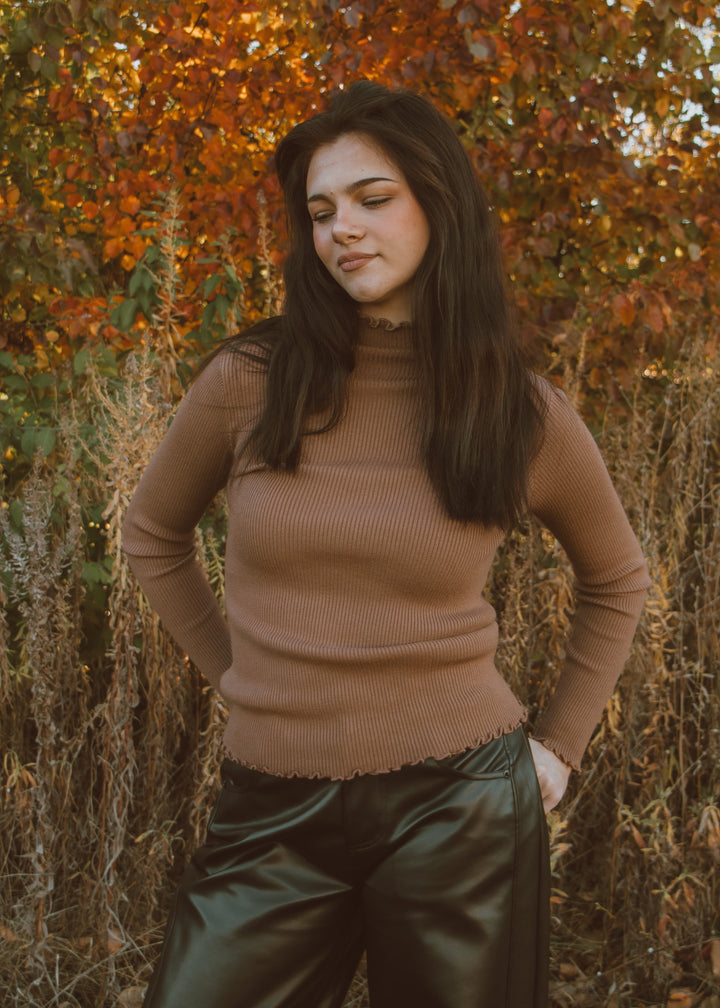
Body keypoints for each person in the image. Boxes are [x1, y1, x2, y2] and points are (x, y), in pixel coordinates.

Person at [123, 80, 650, 1008]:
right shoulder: (249, 383)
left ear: (438, 204)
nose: (342, 231)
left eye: (373, 199)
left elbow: (616, 578)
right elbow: (152, 536)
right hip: (270, 810)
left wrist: (558, 747)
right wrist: (239, 677)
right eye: (321, 212)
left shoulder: (517, 409)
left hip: (462, 806)